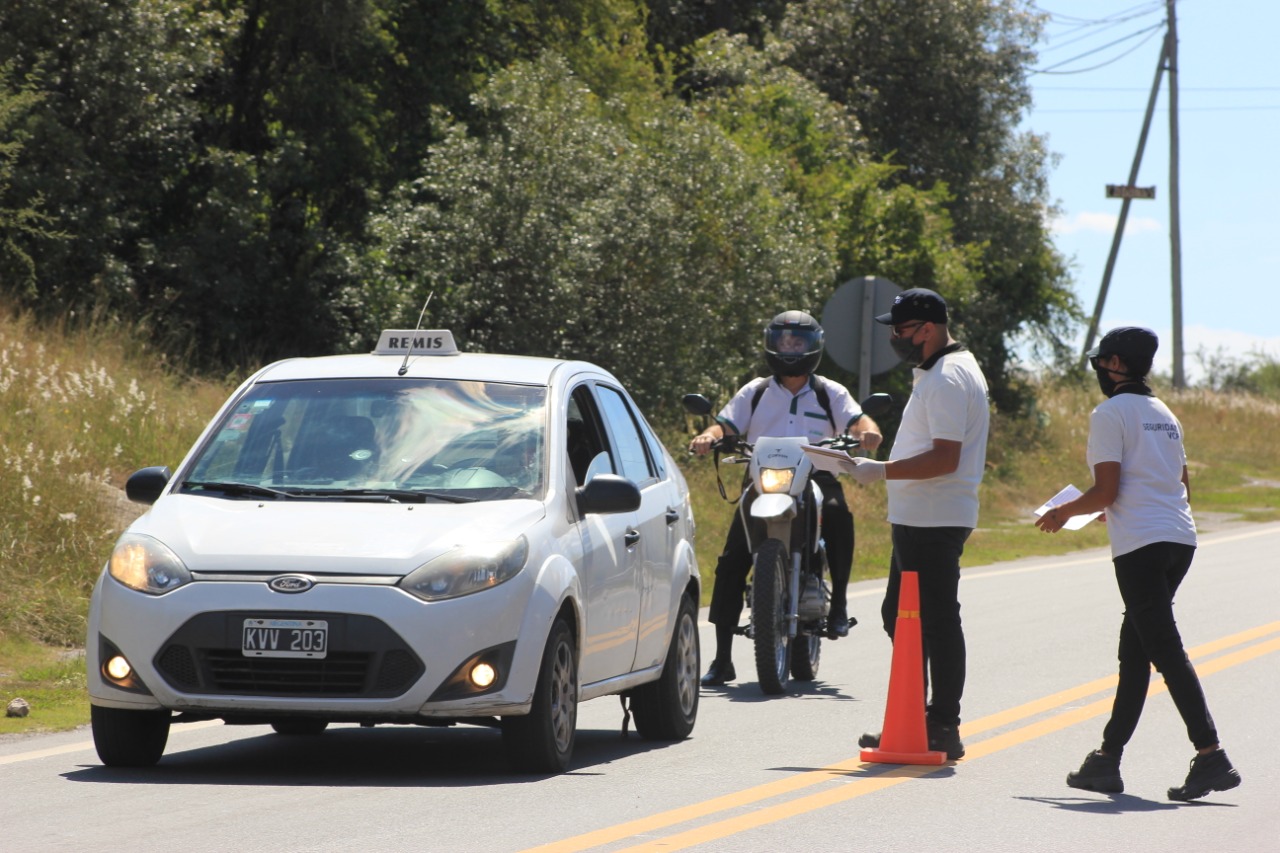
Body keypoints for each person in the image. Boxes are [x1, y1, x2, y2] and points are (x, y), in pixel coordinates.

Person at [1034, 326, 1241, 801]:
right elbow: (1178, 484)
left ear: (1117, 365)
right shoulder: (1164, 413)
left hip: (1141, 547)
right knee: (1136, 651)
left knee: (1165, 650)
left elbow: (1105, 490)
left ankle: (1211, 754)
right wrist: (1117, 506)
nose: (1098, 370)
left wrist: (1062, 512)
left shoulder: (1109, 413)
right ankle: (1107, 759)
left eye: (1101, 361)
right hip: (1179, 539)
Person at [690, 310, 882, 686]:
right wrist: (708, 437)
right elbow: (725, 425)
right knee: (731, 560)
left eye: (798, 342)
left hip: (818, 474)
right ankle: (722, 658)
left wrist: (868, 432)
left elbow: (858, 420)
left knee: (838, 514)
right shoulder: (756, 391)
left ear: (813, 347)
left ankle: (839, 605)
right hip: (763, 478)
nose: (790, 348)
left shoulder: (830, 392)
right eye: (783, 341)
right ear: (771, 344)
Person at [846, 287, 989, 760]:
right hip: (920, 515)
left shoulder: (947, 377)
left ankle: (942, 723)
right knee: (901, 617)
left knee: (937, 620)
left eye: (901, 330)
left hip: (934, 516)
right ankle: (913, 718)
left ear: (928, 329)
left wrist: (882, 470)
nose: (895, 337)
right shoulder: (939, 371)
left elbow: (946, 458)